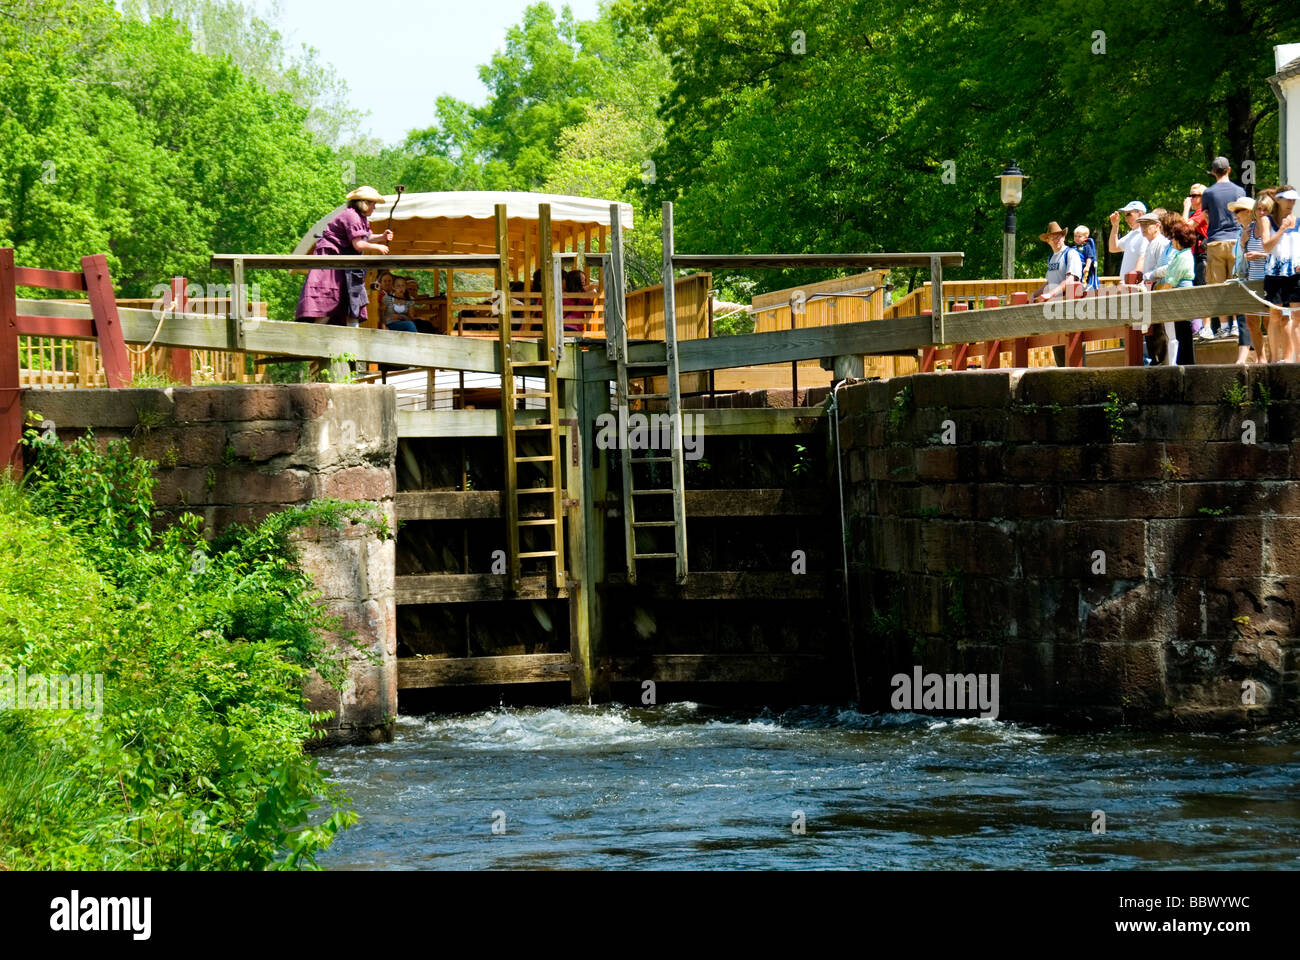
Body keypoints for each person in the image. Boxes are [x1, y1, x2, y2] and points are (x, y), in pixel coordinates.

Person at [296, 186, 392, 325]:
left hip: (342, 264)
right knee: (327, 301)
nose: (374, 207)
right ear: (365, 203)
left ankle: (348, 335)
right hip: (330, 262)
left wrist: (381, 237)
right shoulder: (352, 216)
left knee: (348, 299)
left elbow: (364, 236)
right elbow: (358, 244)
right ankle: (315, 335)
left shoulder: (360, 217)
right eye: (373, 204)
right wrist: (377, 246)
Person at [1200, 158, 1246, 341]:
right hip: (1236, 241)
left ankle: (1224, 326)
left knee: (1217, 285)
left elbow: (1205, 215)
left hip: (1215, 242)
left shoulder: (1208, 193)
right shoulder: (1239, 191)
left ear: (1213, 172)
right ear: (1229, 170)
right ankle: (1236, 325)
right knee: (1236, 283)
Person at [1261, 187, 1300, 362]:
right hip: (1275, 274)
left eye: (1294, 200)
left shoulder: (1298, 222)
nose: (1291, 204)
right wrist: (1282, 229)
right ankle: (1273, 360)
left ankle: (1297, 358)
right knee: (1275, 316)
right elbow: (1267, 246)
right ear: (1278, 200)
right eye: (1288, 199)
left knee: (1297, 315)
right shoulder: (1266, 220)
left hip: (1295, 274)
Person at [1229, 196, 1266, 363]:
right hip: (1247, 281)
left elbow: (1276, 253)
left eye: (1238, 211)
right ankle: (1261, 358)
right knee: (1251, 321)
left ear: (1249, 212)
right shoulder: (1240, 232)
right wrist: (1243, 245)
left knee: (1268, 320)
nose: (1235, 215)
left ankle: (1273, 359)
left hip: (1265, 280)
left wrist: (1259, 254)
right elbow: (1240, 259)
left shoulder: (1261, 229)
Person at [1031, 221, 1081, 301]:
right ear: (1048, 241)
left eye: (1058, 237)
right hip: (1055, 303)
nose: (1056, 240)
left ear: (1063, 237)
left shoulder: (1071, 254)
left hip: (1070, 303)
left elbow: (1070, 281)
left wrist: (1050, 294)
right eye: (1052, 238)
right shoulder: (1051, 258)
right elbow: (1049, 283)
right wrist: (1033, 295)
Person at [1109, 201, 1149, 282]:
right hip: (1127, 284)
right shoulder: (1132, 234)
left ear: (1140, 214)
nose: (1126, 219)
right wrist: (1115, 226)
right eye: (1125, 215)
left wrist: (1133, 281)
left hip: (1135, 284)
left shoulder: (1146, 233)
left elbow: (1143, 258)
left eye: (1129, 214)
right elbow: (1113, 248)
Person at [1074, 225, 1099, 290]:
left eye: (1079, 236)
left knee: (1084, 281)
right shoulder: (1074, 248)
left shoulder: (1086, 247)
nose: (1077, 238)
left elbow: (1089, 258)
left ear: (1085, 238)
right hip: (1076, 268)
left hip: (1084, 268)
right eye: (1075, 236)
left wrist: (1087, 267)